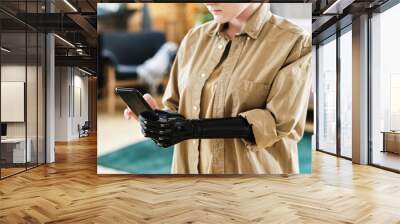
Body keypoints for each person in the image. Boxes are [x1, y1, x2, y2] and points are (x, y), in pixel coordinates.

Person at [125, 3, 312, 174]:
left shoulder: (294, 42)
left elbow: (275, 123)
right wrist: (156, 118)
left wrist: (192, 129)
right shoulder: (194, 38)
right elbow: (177, 108)